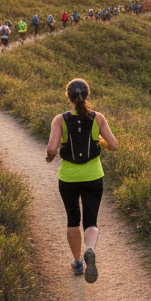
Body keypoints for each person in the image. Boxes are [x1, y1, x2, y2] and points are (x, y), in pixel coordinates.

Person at [45, 78, 119, 283]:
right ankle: (90, 249)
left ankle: (78, 262)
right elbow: (114, 145)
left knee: (72, 220)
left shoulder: (60, 119)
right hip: (93, 176)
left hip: (68, 178)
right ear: (87, 96)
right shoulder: (98, 118)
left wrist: (50, 157)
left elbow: (51, 149)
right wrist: (99, 142)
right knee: (90, 220)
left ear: (68, 97)